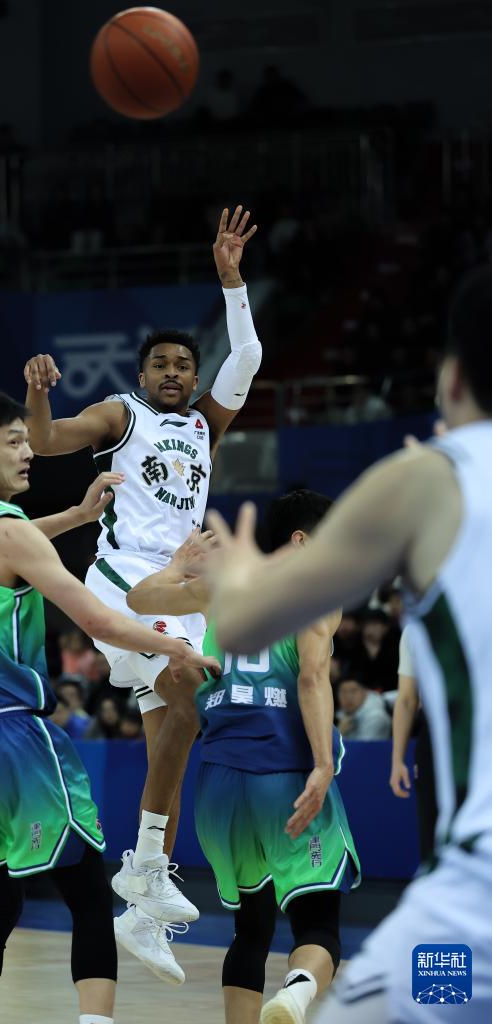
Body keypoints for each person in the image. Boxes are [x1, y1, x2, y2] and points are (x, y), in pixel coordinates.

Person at [206, 266, 492, 1022]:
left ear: (451, 377)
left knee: (420, 996)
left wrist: (237, 577)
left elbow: (245, 626)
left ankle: (317, 996)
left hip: (474, 875)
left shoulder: (428, 478)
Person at [0, 385, 218, 1024]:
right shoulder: (10, 532)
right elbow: (97, 618)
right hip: (8, 741)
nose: (29, 453)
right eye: (14, 442)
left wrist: (76, 517)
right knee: (88, 900)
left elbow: (3, 548)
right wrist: (174, 647)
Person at [22, 205, 262, 977]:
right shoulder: (121, 415)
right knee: (187, 693)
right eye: (160, 364)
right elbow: (47, 440)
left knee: (177, 731)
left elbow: (248, 354)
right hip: (125, 582)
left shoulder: (205, 426)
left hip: (181, 590)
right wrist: (38, 395)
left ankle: (143, 905)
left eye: (183, 365)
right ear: (142, 375)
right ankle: (146, 870)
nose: (173, 373)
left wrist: (231, 282)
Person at [127, 492, 360, 1021]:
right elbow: (312, 678)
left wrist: (176, 566)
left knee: (250, 930)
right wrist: (323, 765)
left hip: (218, 786)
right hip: (283, 774)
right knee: (318, 924)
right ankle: (295, 994)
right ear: (302, 540)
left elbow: (139, 599)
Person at [389, 627, 438, 863]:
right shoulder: (415, 628)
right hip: (435, 736)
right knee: (433, 826)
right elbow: (407, 698)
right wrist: (397, 760)